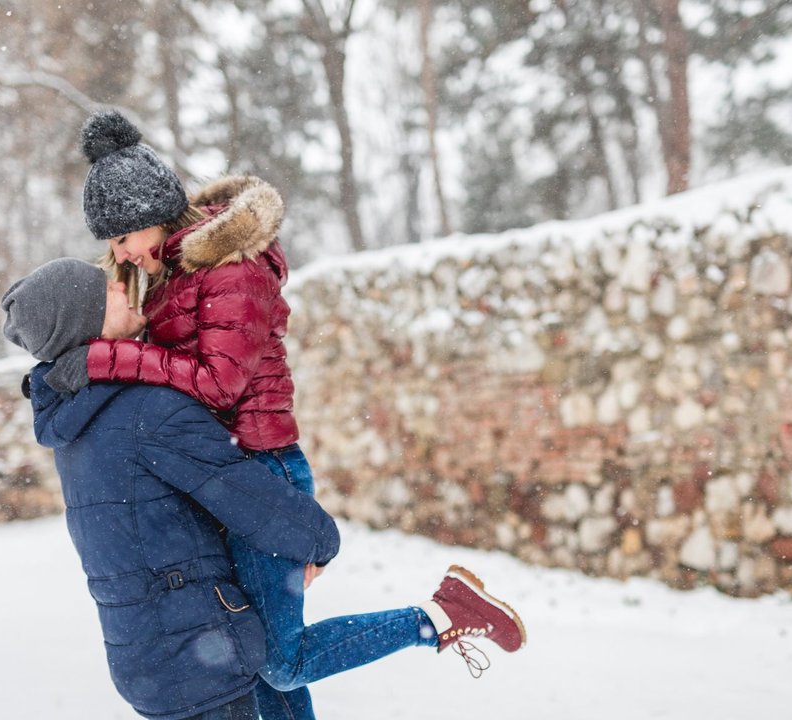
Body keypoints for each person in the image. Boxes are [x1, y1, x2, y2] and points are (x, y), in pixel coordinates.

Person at [47, 109, 527, 719]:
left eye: (121, 238)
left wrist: (113, 358)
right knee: (260, 662)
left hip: (263, 473)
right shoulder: (175, 279)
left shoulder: (230, 269)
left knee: (280, 660)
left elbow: (220, 385)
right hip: (226, 476)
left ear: (150, 216)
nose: (121, 255)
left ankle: (439, 615)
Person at [1, 258, 340, 720]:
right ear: (88, 321)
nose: (124, 288)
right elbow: (242, 492)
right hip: (200, 654)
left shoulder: (73, 423)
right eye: (109, 291)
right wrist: (319, 540)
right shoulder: (144, 410)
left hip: (145, 655)